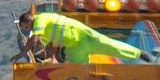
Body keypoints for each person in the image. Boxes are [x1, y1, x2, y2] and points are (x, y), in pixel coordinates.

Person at [13, 10, 151, 64]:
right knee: (79, 72)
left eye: (25, 27)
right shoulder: (43, 32)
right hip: (74, 48)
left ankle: (139, 53)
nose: (26, 30)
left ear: (29, 20)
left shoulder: (41, 19)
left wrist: (22, 52)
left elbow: (35, 38)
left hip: (83, 35)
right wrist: (49, 59)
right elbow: (48, 46)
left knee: (110, 45)